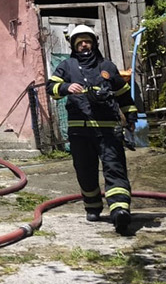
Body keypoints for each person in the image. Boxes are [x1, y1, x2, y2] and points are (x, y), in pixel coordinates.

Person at [48, 25, 138, 235]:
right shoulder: (67, 66)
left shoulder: (107, 67)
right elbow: (50, 87)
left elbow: (123, 94)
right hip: (80, 132)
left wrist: (132, 116)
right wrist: (65, 87)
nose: (84, 45)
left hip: (108, 130)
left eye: (87, 41)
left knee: (115, 168)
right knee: (85, 170)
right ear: (73, 46)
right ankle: (92, 206)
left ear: (94, 43)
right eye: (79, 42)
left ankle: (120, 211)